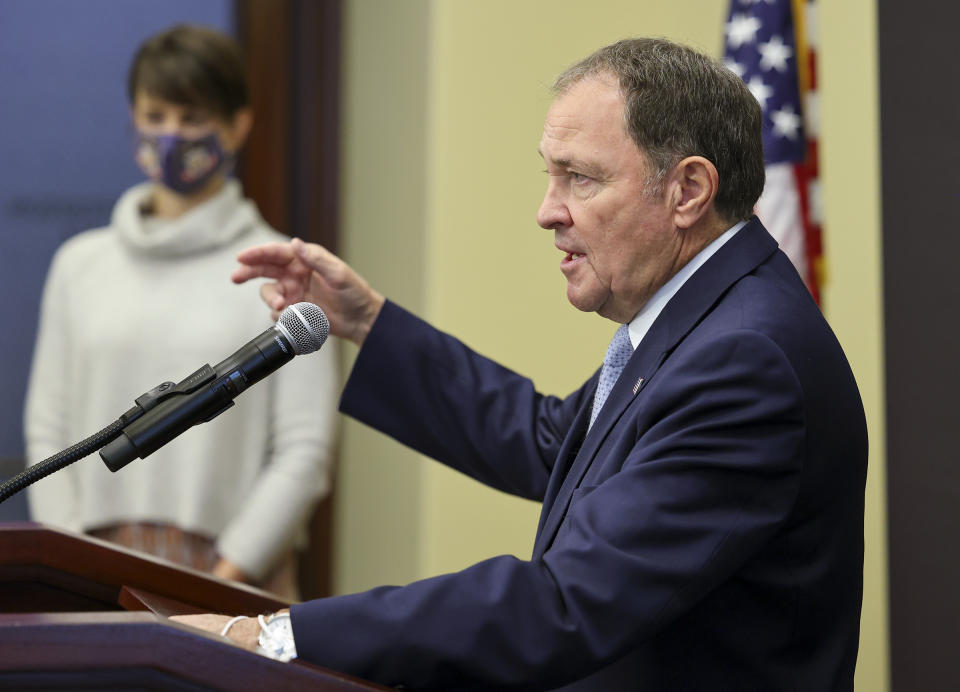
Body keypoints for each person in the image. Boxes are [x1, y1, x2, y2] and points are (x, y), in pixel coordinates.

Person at [177, 37, 867, 690]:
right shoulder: (711, 320)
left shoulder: (745, 360)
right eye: (549, 175)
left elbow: (566, 603)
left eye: (580, 179)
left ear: (687, 191)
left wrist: (278, 636)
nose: (547, 212)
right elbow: (554, 442)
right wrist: (366, 321)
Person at [23, 25, 337, 599]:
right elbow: (49, 427)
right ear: (133, 118)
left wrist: (221, 580)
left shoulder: (282, 270)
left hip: (231, 576)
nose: (172, 135)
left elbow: (304, 450)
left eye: (192, 119)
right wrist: (66, 561)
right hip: (86, 568)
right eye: (157, 115)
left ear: (238, 125)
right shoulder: (80, 265)